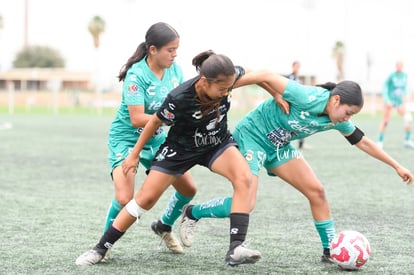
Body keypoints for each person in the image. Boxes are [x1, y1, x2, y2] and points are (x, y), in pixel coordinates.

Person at [176, 73, 413, 264]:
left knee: (316, 191)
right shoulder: (307, 95)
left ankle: (330, 251)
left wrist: (396, 165)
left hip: (278, 146)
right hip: (253, 137)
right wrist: (225, 90)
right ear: (336, 100)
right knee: (246, 202)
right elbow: (264, 74)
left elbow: (363, 141)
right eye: (348, 113)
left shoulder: (335, 118)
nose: (346, 119)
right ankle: (193, 213)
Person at [75, 50, 280, 267]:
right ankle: (100, 249)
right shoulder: (179, 97)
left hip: (216, 143)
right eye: (221, 89)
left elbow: (258, 74)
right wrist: (134, 155)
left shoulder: (228, 78)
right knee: (145, 199)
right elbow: (153, 123)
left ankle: (236, 247)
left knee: (244, 179)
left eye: (229, 88)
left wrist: (275, 94)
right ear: (204, 81)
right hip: (180, 150)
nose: (225, 93)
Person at [102, 22, 197, 260]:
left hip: (157, 141)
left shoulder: (176, 71)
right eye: (170, 50)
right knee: (125, 199)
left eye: (177, 49)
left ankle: (163, 225)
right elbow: (136, 119)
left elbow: (182, 105)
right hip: (126, 140)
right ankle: (103, 245)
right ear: (152, 49)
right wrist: (171, 119)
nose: (174, 54)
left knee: (188, 190)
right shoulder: (136, 75)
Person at [377, 60, 414, 149]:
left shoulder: (405, 75)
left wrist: (407, 95)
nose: (399, 67)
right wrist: (386, 100)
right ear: (396, 66)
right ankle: (379, 141)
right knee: (385, 121)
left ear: (403, 66)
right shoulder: (392, 76)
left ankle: (407, 140)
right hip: (390, 101)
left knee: (408, 118)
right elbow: (385, 87)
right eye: (397, 65)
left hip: (399, 101)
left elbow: (405, 87)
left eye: (401, 65)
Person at [286, 61, 309, 150]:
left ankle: (301, 144)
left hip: (298, 105)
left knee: (301, 123)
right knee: (288, 124)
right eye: (296, 66)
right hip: (290, 104)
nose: (297, 68)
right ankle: (285, 144)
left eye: (298, 66)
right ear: (293, 67)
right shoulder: (289, 77)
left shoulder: (299, 79)